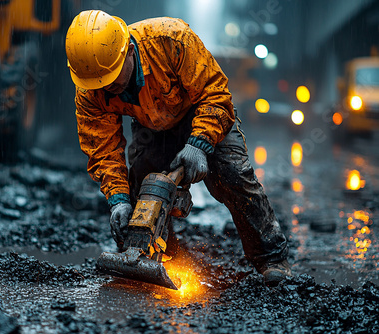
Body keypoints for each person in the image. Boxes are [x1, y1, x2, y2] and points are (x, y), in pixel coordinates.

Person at [65, 10, 292, 286]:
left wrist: (199, 143)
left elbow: (216, 94)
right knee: (140, 189)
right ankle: (157, 256)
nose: (109, 89)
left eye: (113, 79)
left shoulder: (171, 40)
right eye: (101, 84)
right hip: (151, 126)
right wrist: (118, 200)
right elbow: (102, 148)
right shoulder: (91, 85)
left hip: (204, 112)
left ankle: (272, 259)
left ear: (129, 52)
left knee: (233, 176)